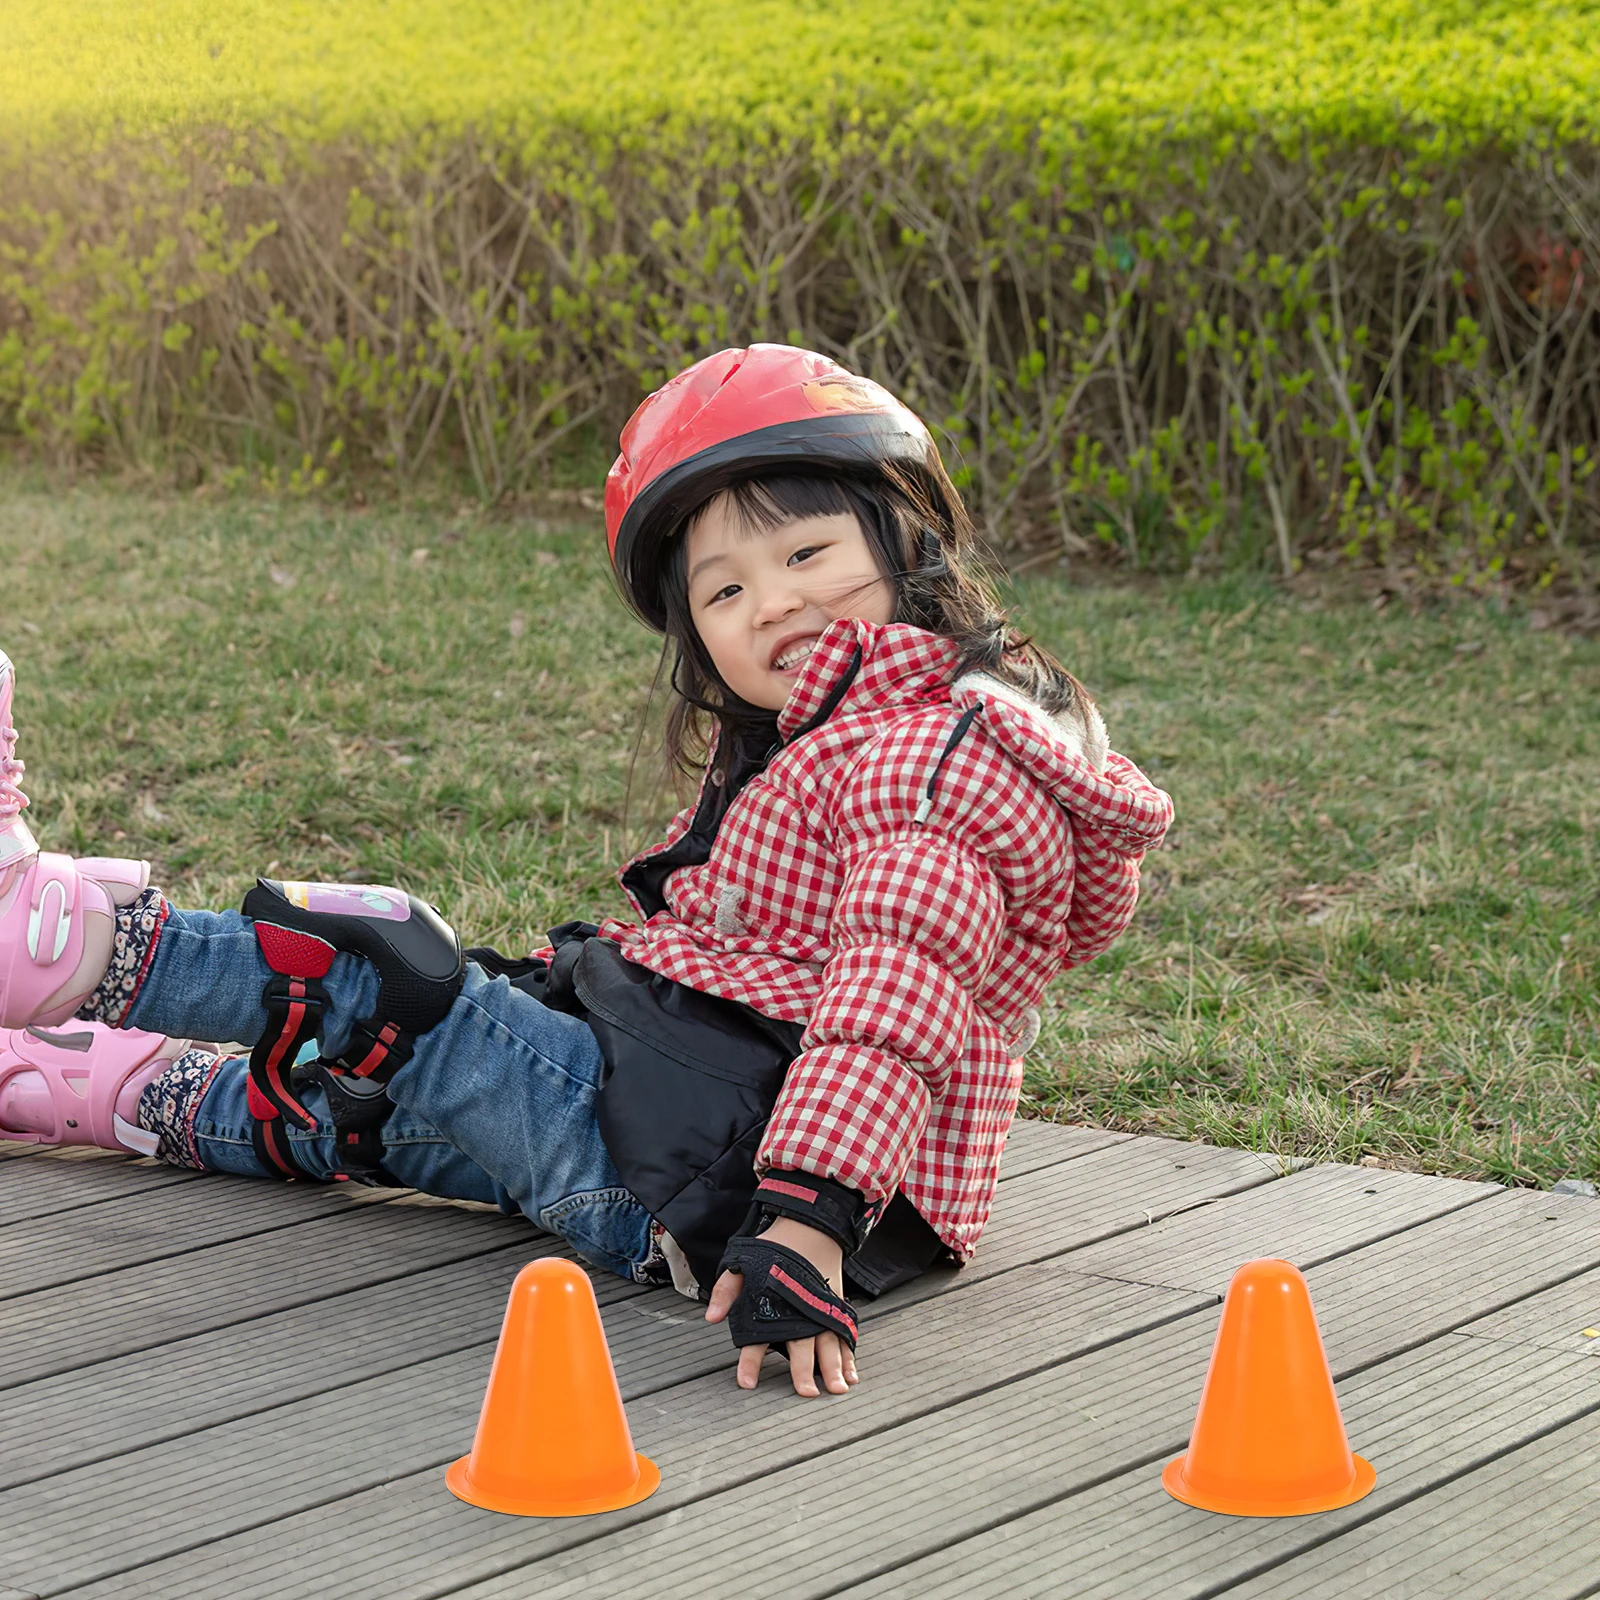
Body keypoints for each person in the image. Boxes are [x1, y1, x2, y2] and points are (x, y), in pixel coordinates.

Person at [0, 344, 1173, 1397]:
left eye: (807, 551)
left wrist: (807, 1223)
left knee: (387, 977)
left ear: (903, 539)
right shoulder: (836, 728)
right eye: (725, 589)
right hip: (693, 1159)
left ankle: (59, 942)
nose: (774, 600)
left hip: (743, 1182)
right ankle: (97, 1086)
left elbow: (895, 988)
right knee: (367, 1104)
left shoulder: (935, 756)